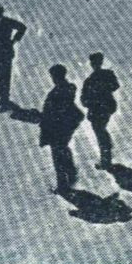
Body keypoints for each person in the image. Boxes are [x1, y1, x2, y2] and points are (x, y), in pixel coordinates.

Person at [40, 65, 85, 196]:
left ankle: (63, 185)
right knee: (63, 149)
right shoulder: (67, 88)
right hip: (66, 125)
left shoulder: (58, 91)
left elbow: (55, 111)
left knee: (57, 156)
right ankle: (70, 173)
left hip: (57, 127)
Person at [80, 53, 120, 171]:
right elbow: (115, 86)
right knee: (102, 131)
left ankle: (106, 160)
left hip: (96, 110)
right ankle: (106, 156)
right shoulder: (108, 74)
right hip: (107, 106)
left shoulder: (89, 80)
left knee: (100, 133)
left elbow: (84, 99)